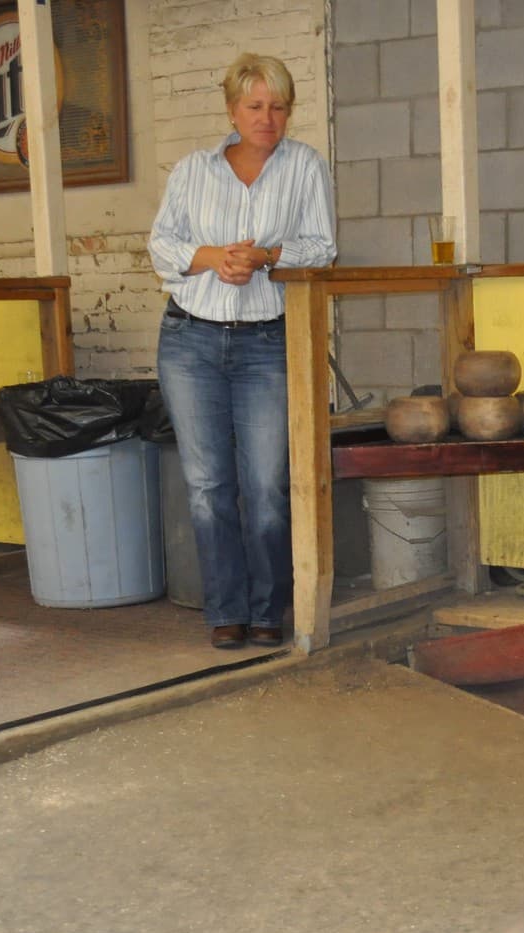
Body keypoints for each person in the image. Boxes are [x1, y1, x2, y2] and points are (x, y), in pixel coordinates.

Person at [150, 53, 336, 649]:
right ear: (232, 108)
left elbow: (322, 247)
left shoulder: (305, 166)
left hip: (265, 342)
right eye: (255, 106)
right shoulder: (191, 170)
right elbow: (162, 244)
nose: (268, 118)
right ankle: (224, 610)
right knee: (207, 486)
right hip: (189, 340)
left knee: (267, 486)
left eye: (278, 106)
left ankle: (267, 609)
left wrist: (266, 257)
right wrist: (218, 257)